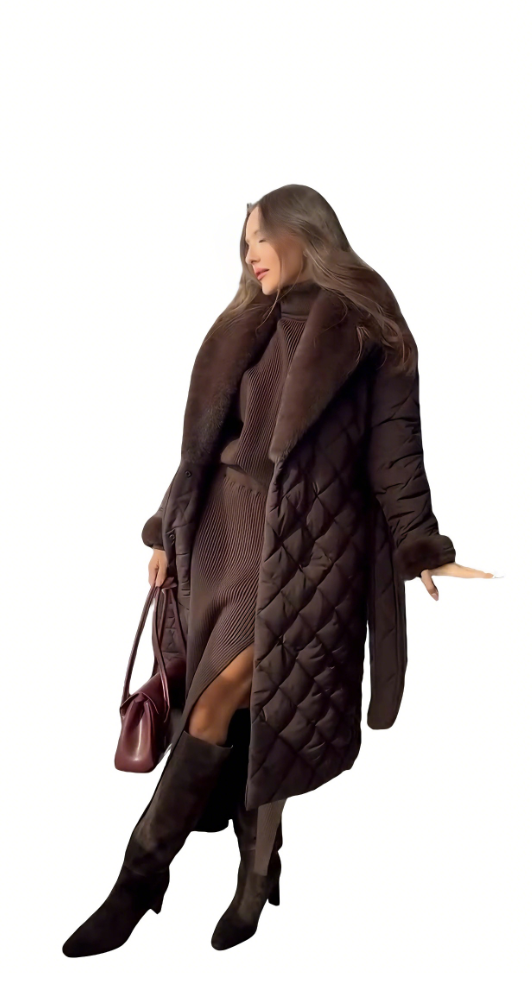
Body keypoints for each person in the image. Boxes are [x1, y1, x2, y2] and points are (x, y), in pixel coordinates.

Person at [62, 184, 493, 958]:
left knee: (227, 699)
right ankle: (259, 870)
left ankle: (138, 881)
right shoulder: (245, 325)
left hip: (309, 548)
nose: (250, 253)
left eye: (261, 236)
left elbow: (396, 449)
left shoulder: (372, 330)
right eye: (245, 242)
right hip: (222, 535)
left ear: (305, 233)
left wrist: (420, 542)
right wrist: (165, 527)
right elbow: (202, 442)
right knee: (255, 710)